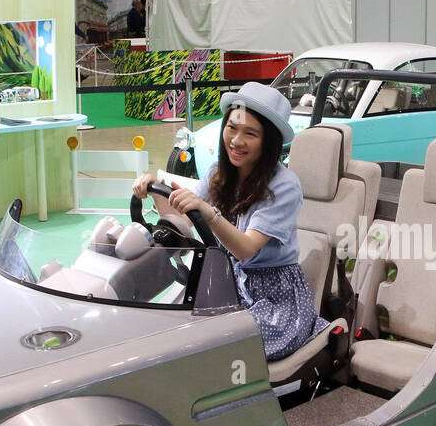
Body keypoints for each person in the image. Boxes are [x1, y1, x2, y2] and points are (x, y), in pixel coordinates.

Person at [133, 82, 326, 362]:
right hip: (224, 282)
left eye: (250, 133)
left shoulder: (284, 185)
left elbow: (247, 249)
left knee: (212, 346)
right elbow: (181, 219)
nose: (236, 140)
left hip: (273, 301)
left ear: (268, 141)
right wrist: (154, 187)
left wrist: (209, 213)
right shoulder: (219, 173)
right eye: (232, 128)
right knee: (170, 330)